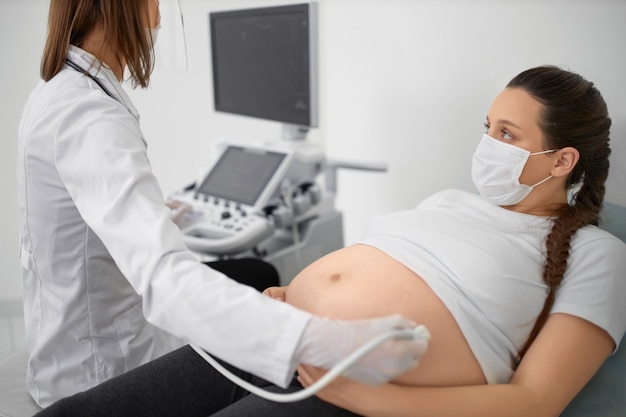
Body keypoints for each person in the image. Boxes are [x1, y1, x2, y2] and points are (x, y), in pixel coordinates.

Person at [33, 65, 626, 417]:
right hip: (278, 339)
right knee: (82, 414)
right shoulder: (451, 202)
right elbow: (376, 272)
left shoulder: (598, 253)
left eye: (506, 133)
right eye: (486, 127)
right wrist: (291, 294)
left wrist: (370, 399)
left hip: (358, 390)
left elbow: (534, 401)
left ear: (562, 159)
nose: (487, 143)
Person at [16, 0, 427, 408]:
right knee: (276, 356)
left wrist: (155, 210)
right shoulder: (90, 117)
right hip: (99, 368)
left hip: (72, 334)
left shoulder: (60, 88)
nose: (161, 13)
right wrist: (329, 341)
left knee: (256, 271)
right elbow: (166, 280)